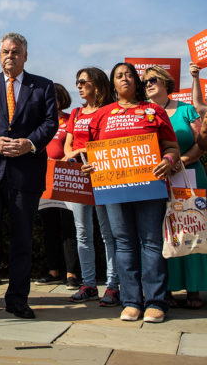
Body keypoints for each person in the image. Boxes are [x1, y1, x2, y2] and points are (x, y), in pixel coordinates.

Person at [0, 32, 58, 318]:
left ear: (25, 56)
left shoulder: (42, 87)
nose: (10, 56)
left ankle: (17, 298)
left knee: (22, 239)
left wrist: (29, 143)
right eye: (5, 51)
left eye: (15, 52)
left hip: (25, 173)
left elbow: (50, 122)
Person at [81, 62, 180, 323]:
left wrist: (168, 161)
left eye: (128, 75)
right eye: (118, 76)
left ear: (136, 81)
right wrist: (88, 165)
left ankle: (156, 301)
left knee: (151, 242)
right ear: (113, 84)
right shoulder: (102, 115)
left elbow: (172, 147)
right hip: (114, 189)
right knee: (123, 243)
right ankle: (132, 301)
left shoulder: (154, 110)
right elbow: (88, 151)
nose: (124, 79)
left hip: (150, 187)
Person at [143, 64, 206, 309]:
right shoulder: (143, 112)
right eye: (146, 81)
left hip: (189, 176)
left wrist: (180, 162)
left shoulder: (187, 110)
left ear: (166, 83)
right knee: (161, 232)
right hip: (157, 181)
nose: (148, 84)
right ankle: (165, 289)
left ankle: (193, 289)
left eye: (153, 79)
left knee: (191, 228)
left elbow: (201, 143)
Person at [63, 67, 119, 306]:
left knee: (109, 234)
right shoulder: (75, 113)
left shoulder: (110, 111)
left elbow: (113, 144)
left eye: (83, 81)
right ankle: (88, 284)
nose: (78, 85)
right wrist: (76, 153)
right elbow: (68, 147)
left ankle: (113, 285)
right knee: (82, 232)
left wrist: (87, 152)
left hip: (103, 176)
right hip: (79, 178)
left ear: (96, 84)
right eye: (77, 81)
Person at [35, 83, 79, 289]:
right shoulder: (40, 122)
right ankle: (53, 270)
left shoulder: (71, 120)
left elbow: (75, 147)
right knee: (49, 227)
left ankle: (71, 273)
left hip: (66, 179)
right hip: (45, 180)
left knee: (69, 227)